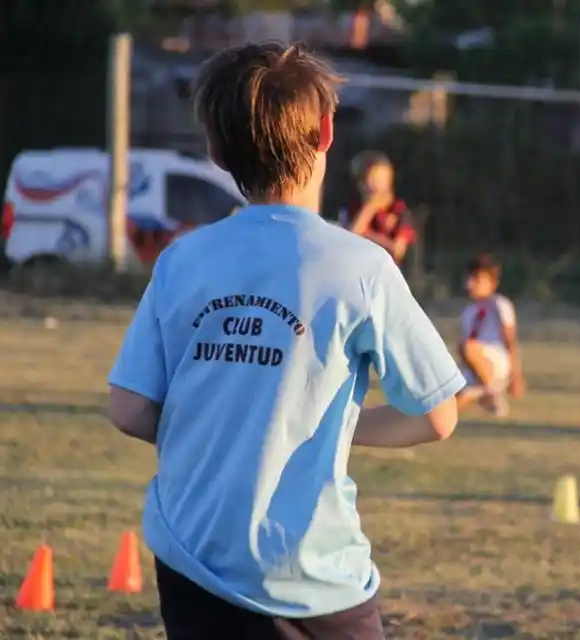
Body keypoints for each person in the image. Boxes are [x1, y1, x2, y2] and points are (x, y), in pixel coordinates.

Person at [105, 42, 465, 640]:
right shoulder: (361, 267)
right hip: (311, 577)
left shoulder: (182, 259)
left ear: (217, 154)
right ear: (327, 132)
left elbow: (129, 407)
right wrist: (321, 423)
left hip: (192, 561)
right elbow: (436, 414)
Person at [456, 254, 525, 417]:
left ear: (492, 283)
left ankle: (493, 392)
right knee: (447, 406)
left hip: (497, 360)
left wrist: (516, 377)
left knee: (467, 346)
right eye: (470, 279)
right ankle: (485, 392)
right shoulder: (468, 312)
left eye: (477, 279)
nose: (470, 284)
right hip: (477, 367)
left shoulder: (500, 304)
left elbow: (510, 341)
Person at [345, 151, 416, 264]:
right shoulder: (355, 209)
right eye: (373, 180)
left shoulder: (399, 210)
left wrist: (365, 235)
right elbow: (349, 241)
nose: (379, 185)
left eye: (383, 179)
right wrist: (369, 209)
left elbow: (397, 251)